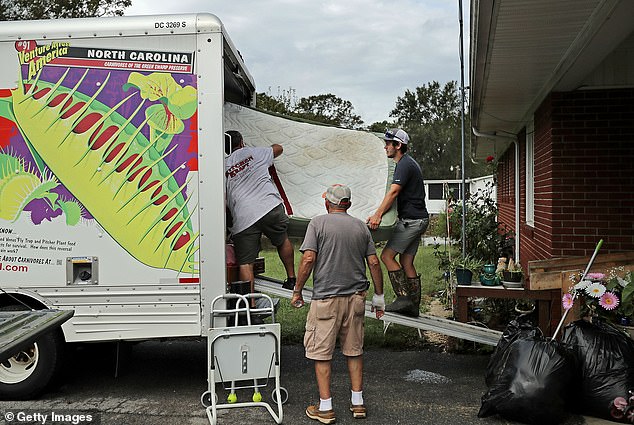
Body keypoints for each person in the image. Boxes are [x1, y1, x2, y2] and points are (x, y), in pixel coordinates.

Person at [291, 184, 385, 424]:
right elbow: (374, 262)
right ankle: (358, 403)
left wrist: (298, 290)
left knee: (321, 353)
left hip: (326, 301)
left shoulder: (318, 223)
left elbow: (308, 257)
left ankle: (326, 408)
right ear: (348, 205)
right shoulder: (361, 227)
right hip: (355, 300)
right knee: (354, 350)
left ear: (327, 203)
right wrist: (379, 296)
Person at [224, 130, 296, 300]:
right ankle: (292, 278)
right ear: (241, 142)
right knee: (282, 240)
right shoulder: (255, 153)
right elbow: (279, 148)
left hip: (244, 216)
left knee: (245, 263)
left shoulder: (223, 164)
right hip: (269, 205)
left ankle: (251, 307)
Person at [366, 128, 429, 317]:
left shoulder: (404, 165)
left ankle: (403, 299)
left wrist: (377, 215)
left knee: (386, 256)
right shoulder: (409, 163)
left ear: (398, 145)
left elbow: (393, 192)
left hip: (412, 221)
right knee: (406, 261)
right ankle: (413, 305)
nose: (385, 147)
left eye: (388, 143)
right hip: (420, 219)